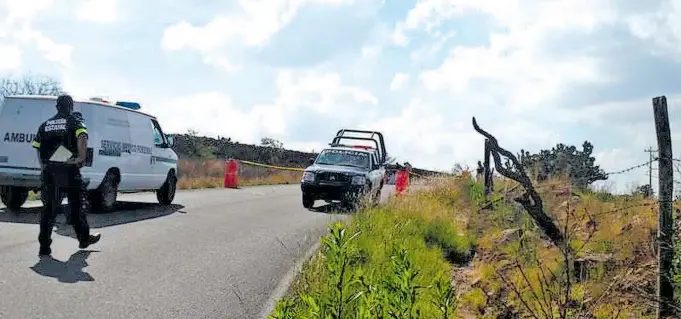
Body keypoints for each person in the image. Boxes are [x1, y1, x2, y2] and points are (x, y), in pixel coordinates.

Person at [31, 94, 101, 257]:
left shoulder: (45, 125)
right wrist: (81, 158)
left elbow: (37, 147)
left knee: (49, 209)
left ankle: (44, 247)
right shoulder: (74, 121)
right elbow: (82, 136)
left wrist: (44, 167)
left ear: (57, 107)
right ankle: (84, 239)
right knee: (76, 206)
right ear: (71, 107)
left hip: (49, 171)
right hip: (68, 170)